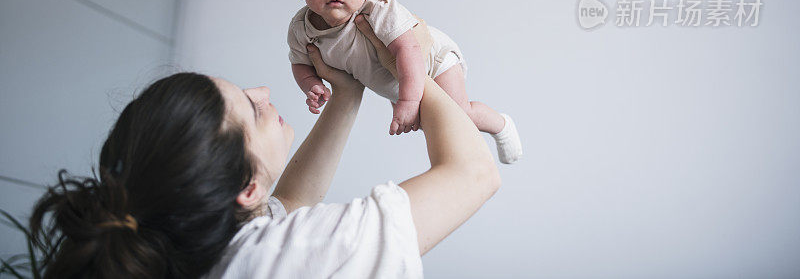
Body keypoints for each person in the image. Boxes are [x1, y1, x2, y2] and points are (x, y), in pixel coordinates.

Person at [29, 17, 500, 278]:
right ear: (246, 188)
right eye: (250, 109)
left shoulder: (210, 248)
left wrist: (348, 91)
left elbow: (288, 204)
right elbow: (474, 173)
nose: (261, 92)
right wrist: (401, 60)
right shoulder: (289, 260)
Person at [289, 0, 523, 163]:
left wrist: (408, 100)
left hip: (432, 61)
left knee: (457, 115)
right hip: (399, 83)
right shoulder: (300, 29)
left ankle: (501, 125)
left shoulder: (377, 8)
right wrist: (310, 85)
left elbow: (407, 49)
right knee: (431, 123)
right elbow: (300, 62)